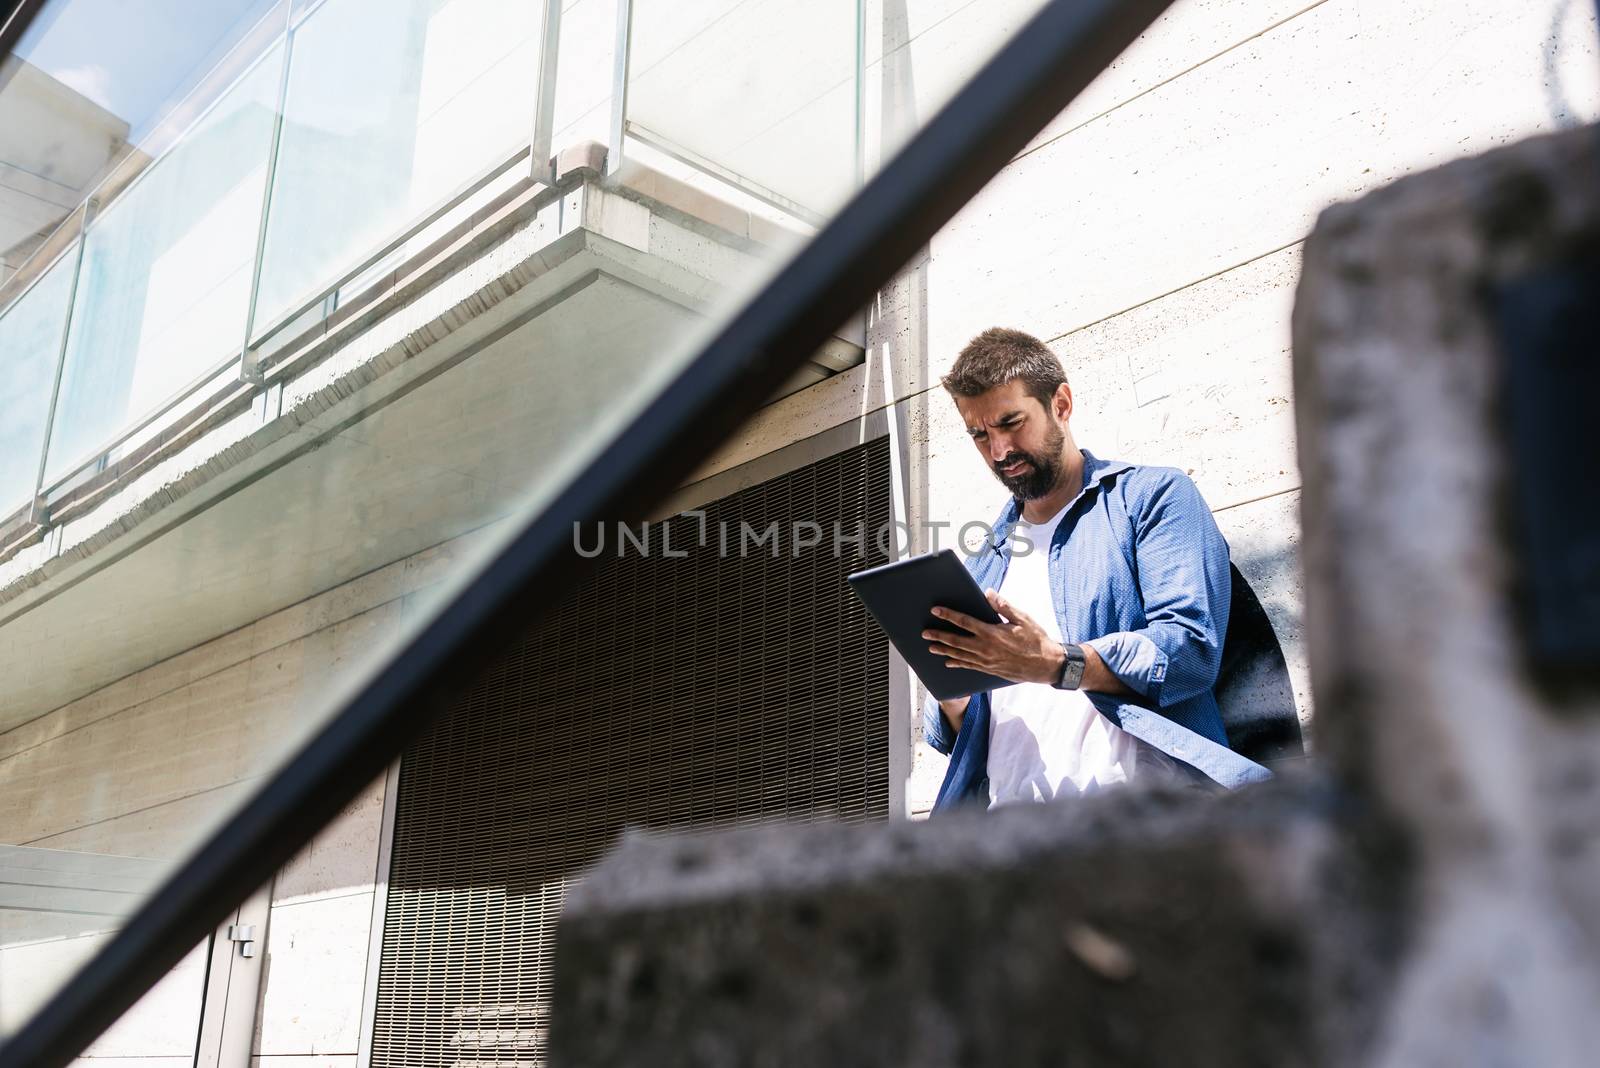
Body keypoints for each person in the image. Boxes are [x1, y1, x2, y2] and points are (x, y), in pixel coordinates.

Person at [920, 328, 1270, 813]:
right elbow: (951, 738)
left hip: (1147, 820)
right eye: (980, 434)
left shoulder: (1150, 499)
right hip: (1012, 843)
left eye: (1011, 423)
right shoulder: (984, 564)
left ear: (1060, 403)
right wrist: (955, 686)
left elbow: (1189, 647)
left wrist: (1056, 663)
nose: (999, 451)